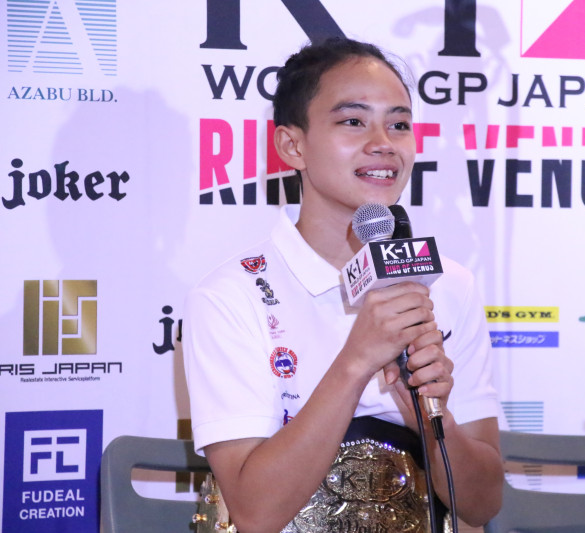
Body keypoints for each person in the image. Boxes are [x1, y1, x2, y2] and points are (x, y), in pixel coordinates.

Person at [183, 37, 503, 533]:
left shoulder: (447, 285)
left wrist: (431, 415)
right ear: (292, 146)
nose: (383, 142)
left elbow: (482, 505)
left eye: (399, 124)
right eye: (354, 121)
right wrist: (357, 360)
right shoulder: (229, 297)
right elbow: (256, 513)